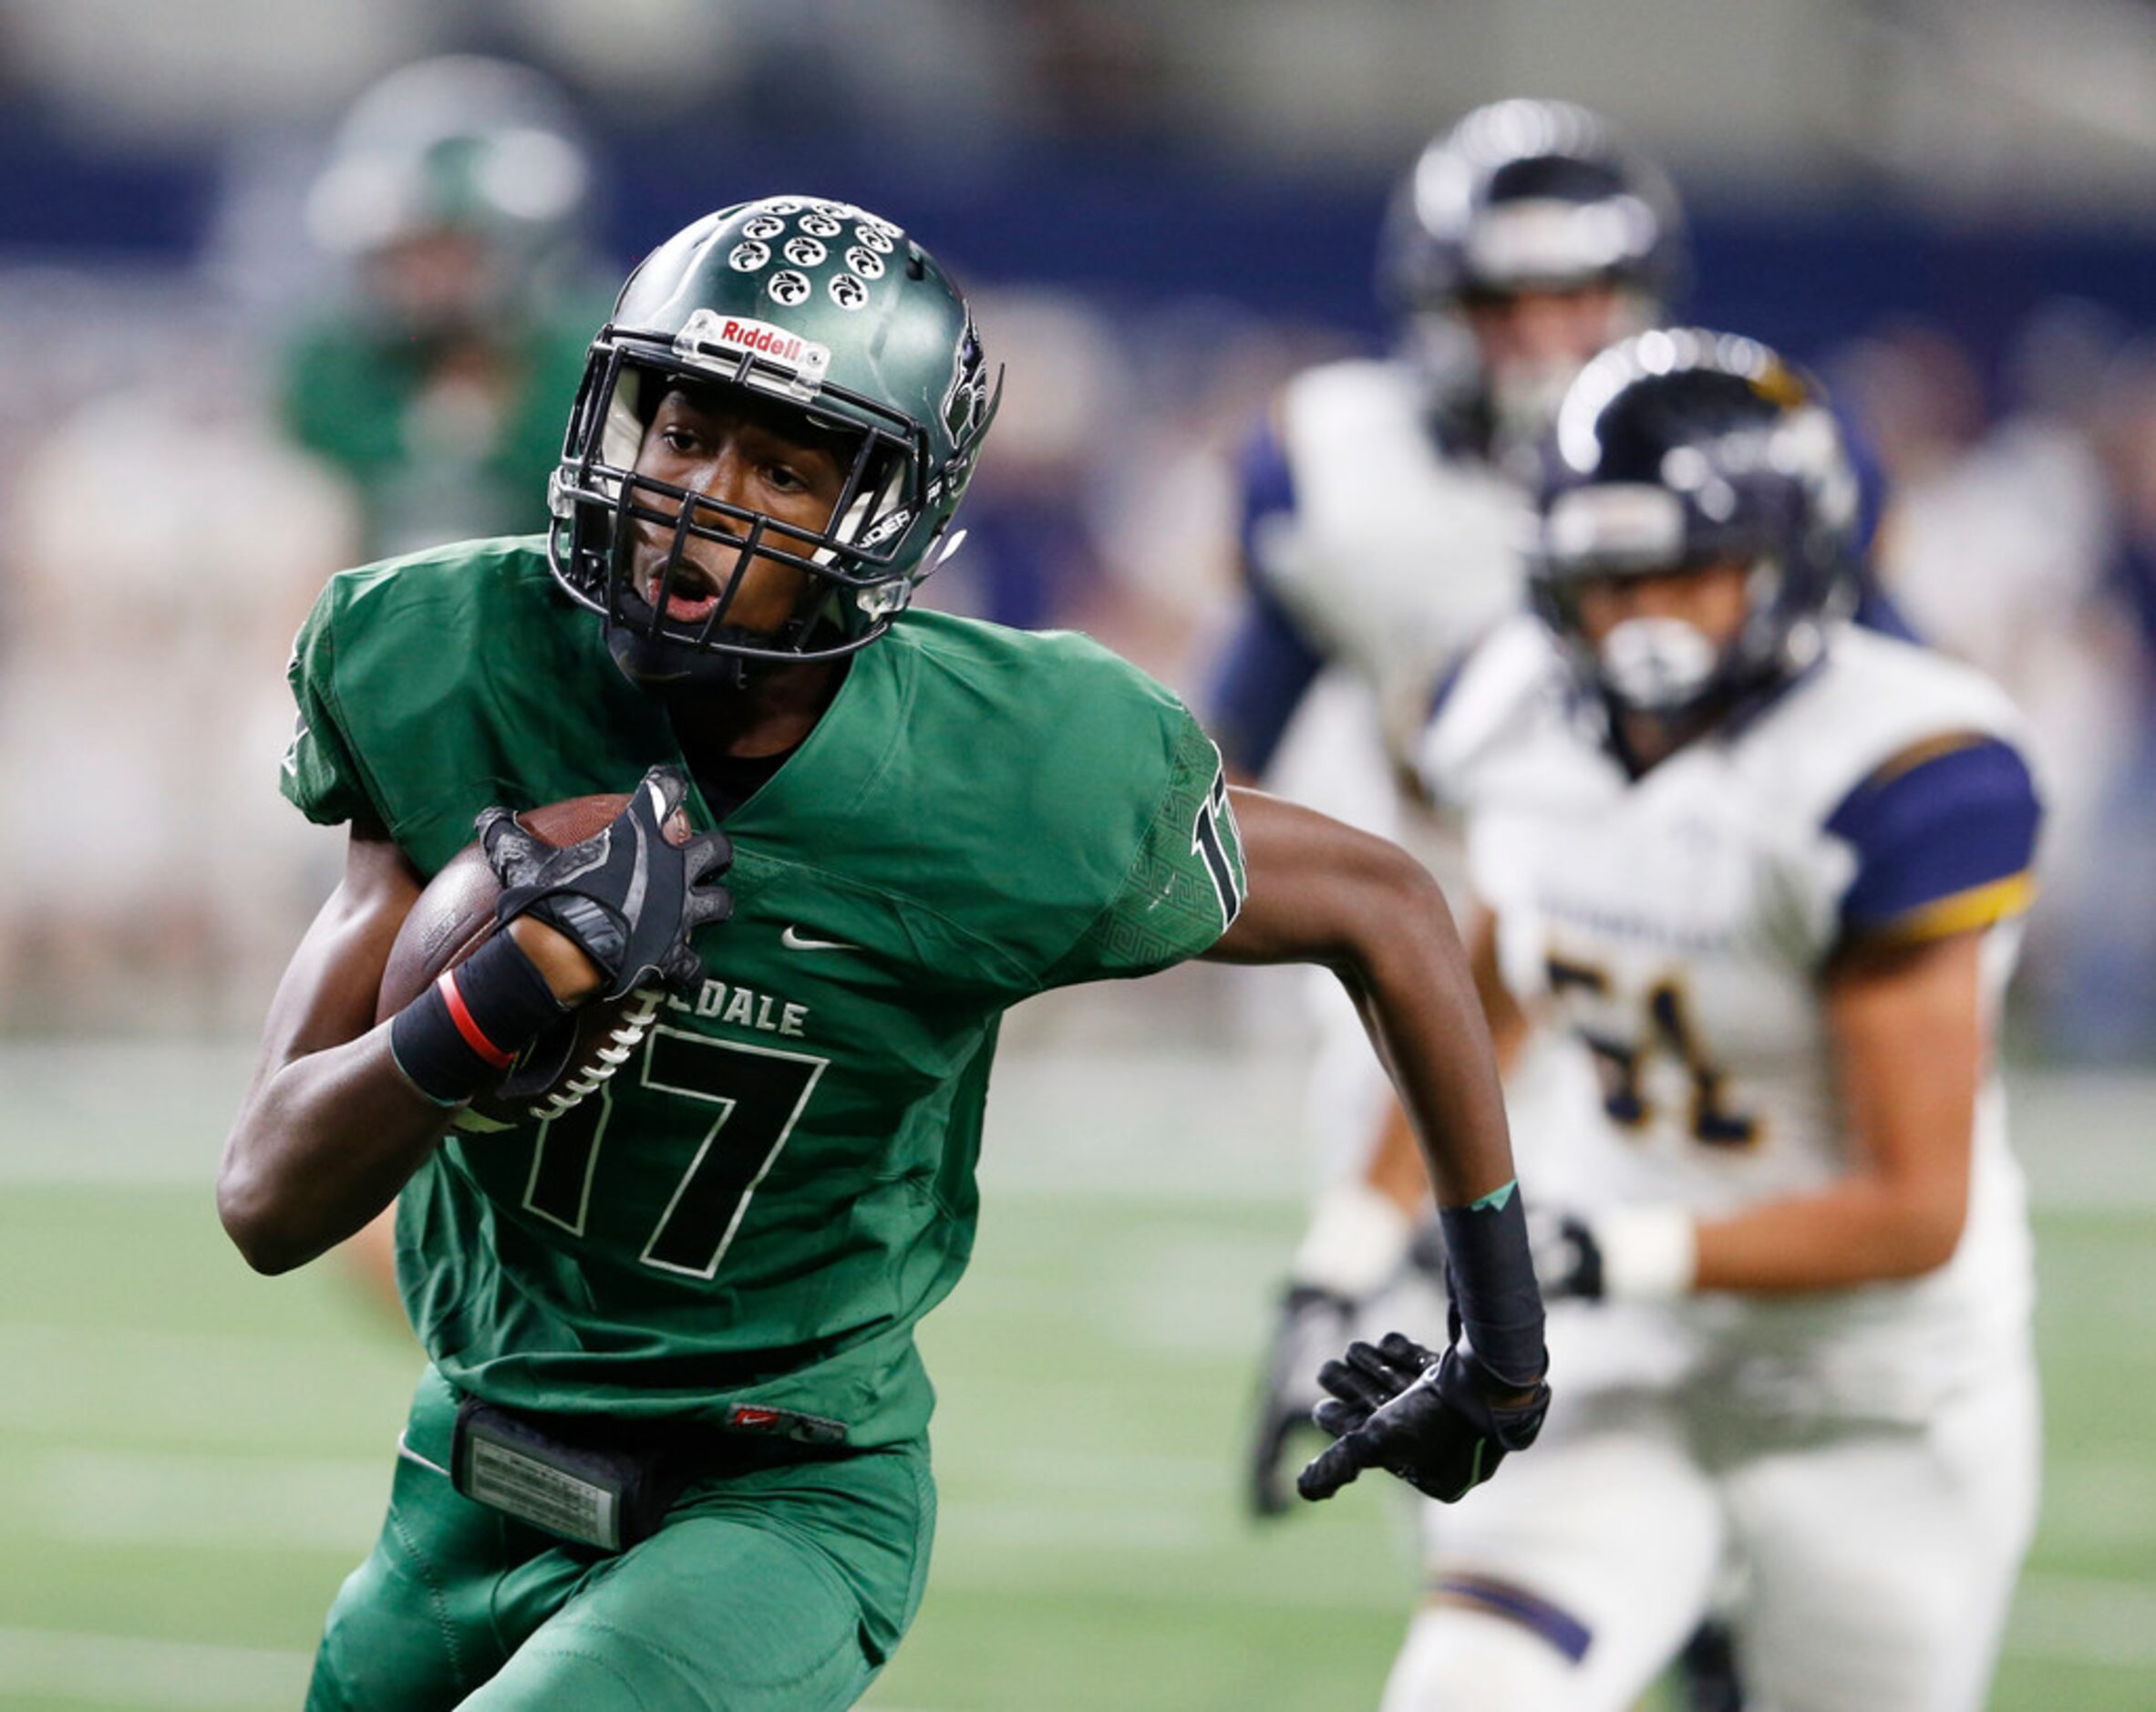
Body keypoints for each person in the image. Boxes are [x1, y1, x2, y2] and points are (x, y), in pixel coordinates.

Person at [217, 196, 1551, 1710]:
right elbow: (268, 1194)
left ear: (883, 513)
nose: (701, 503)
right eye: (681, 431)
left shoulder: (1022, 768)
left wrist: (1499, 1335)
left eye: (782, 469)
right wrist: (501, 991)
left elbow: (1392, 908)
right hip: (473, 1461)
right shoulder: (448, 654)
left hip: (780, 1489)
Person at [1305, 329, 2042, 1711]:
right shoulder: (1498, 706)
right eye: (1609, 575)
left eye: (1686, 571)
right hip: (1615, 1368)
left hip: (1872, 1391)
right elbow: (1484, 975)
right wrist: (1349, 1243)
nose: (1643, 615)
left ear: (1794, 558)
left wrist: (1598, 1250)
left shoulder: (1903, 768)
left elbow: (1911, 1206)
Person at [1226, 98, 1687, 1514]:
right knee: (1464, 1299)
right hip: (1417, 926)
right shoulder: (1333, 456)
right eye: (1505, 299)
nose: (1544, 335)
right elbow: (1234, 716)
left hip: (1660, 932)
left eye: (1577, 295)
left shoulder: (1717, 456)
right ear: (1437, 305)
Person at [280, 55, 612, 562]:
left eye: (445, 248)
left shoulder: (589, 360)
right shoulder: (331, 360)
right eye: (404, 250)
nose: (419, 276)